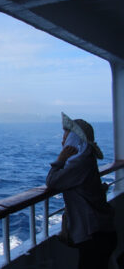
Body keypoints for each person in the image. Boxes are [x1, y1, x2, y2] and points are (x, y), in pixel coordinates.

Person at [46, 112, 116, 269]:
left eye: (66, 137)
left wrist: (60, 159)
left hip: (95, 237)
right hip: (102, 232)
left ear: (74, 140)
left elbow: (52, 181)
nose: (63, 140)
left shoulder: (79, 164)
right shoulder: (87, 159)